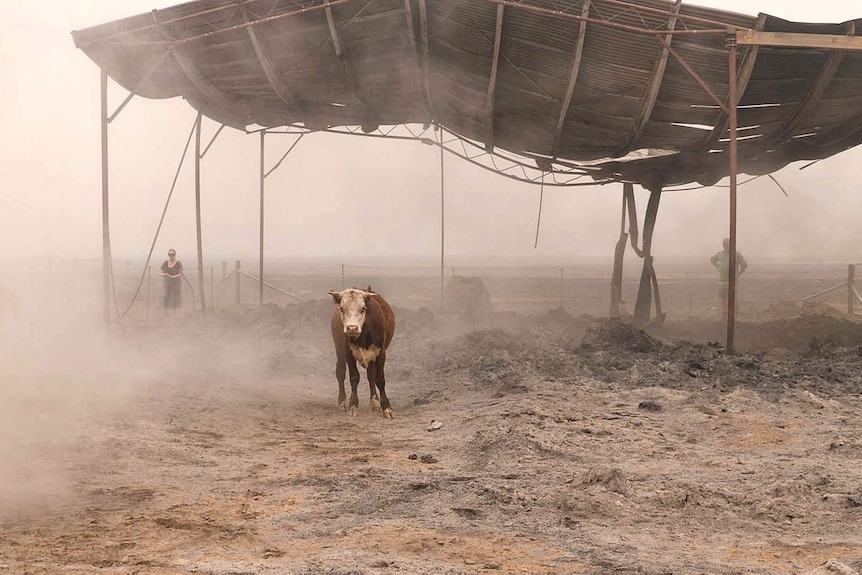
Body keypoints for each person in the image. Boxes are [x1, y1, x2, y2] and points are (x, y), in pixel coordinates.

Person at [710, 238, 747, 314]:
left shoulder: (736, 254)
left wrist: (738, 275)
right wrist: (718, 266)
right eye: (724, 244)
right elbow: (712, 259)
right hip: (722, 279)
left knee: (733, 297)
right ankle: (724, 313)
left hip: (732, 280)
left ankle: (735, 314)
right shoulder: (720, 254)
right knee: (723, 297)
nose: (725, 246)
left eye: (727, 244)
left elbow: (744, 265)